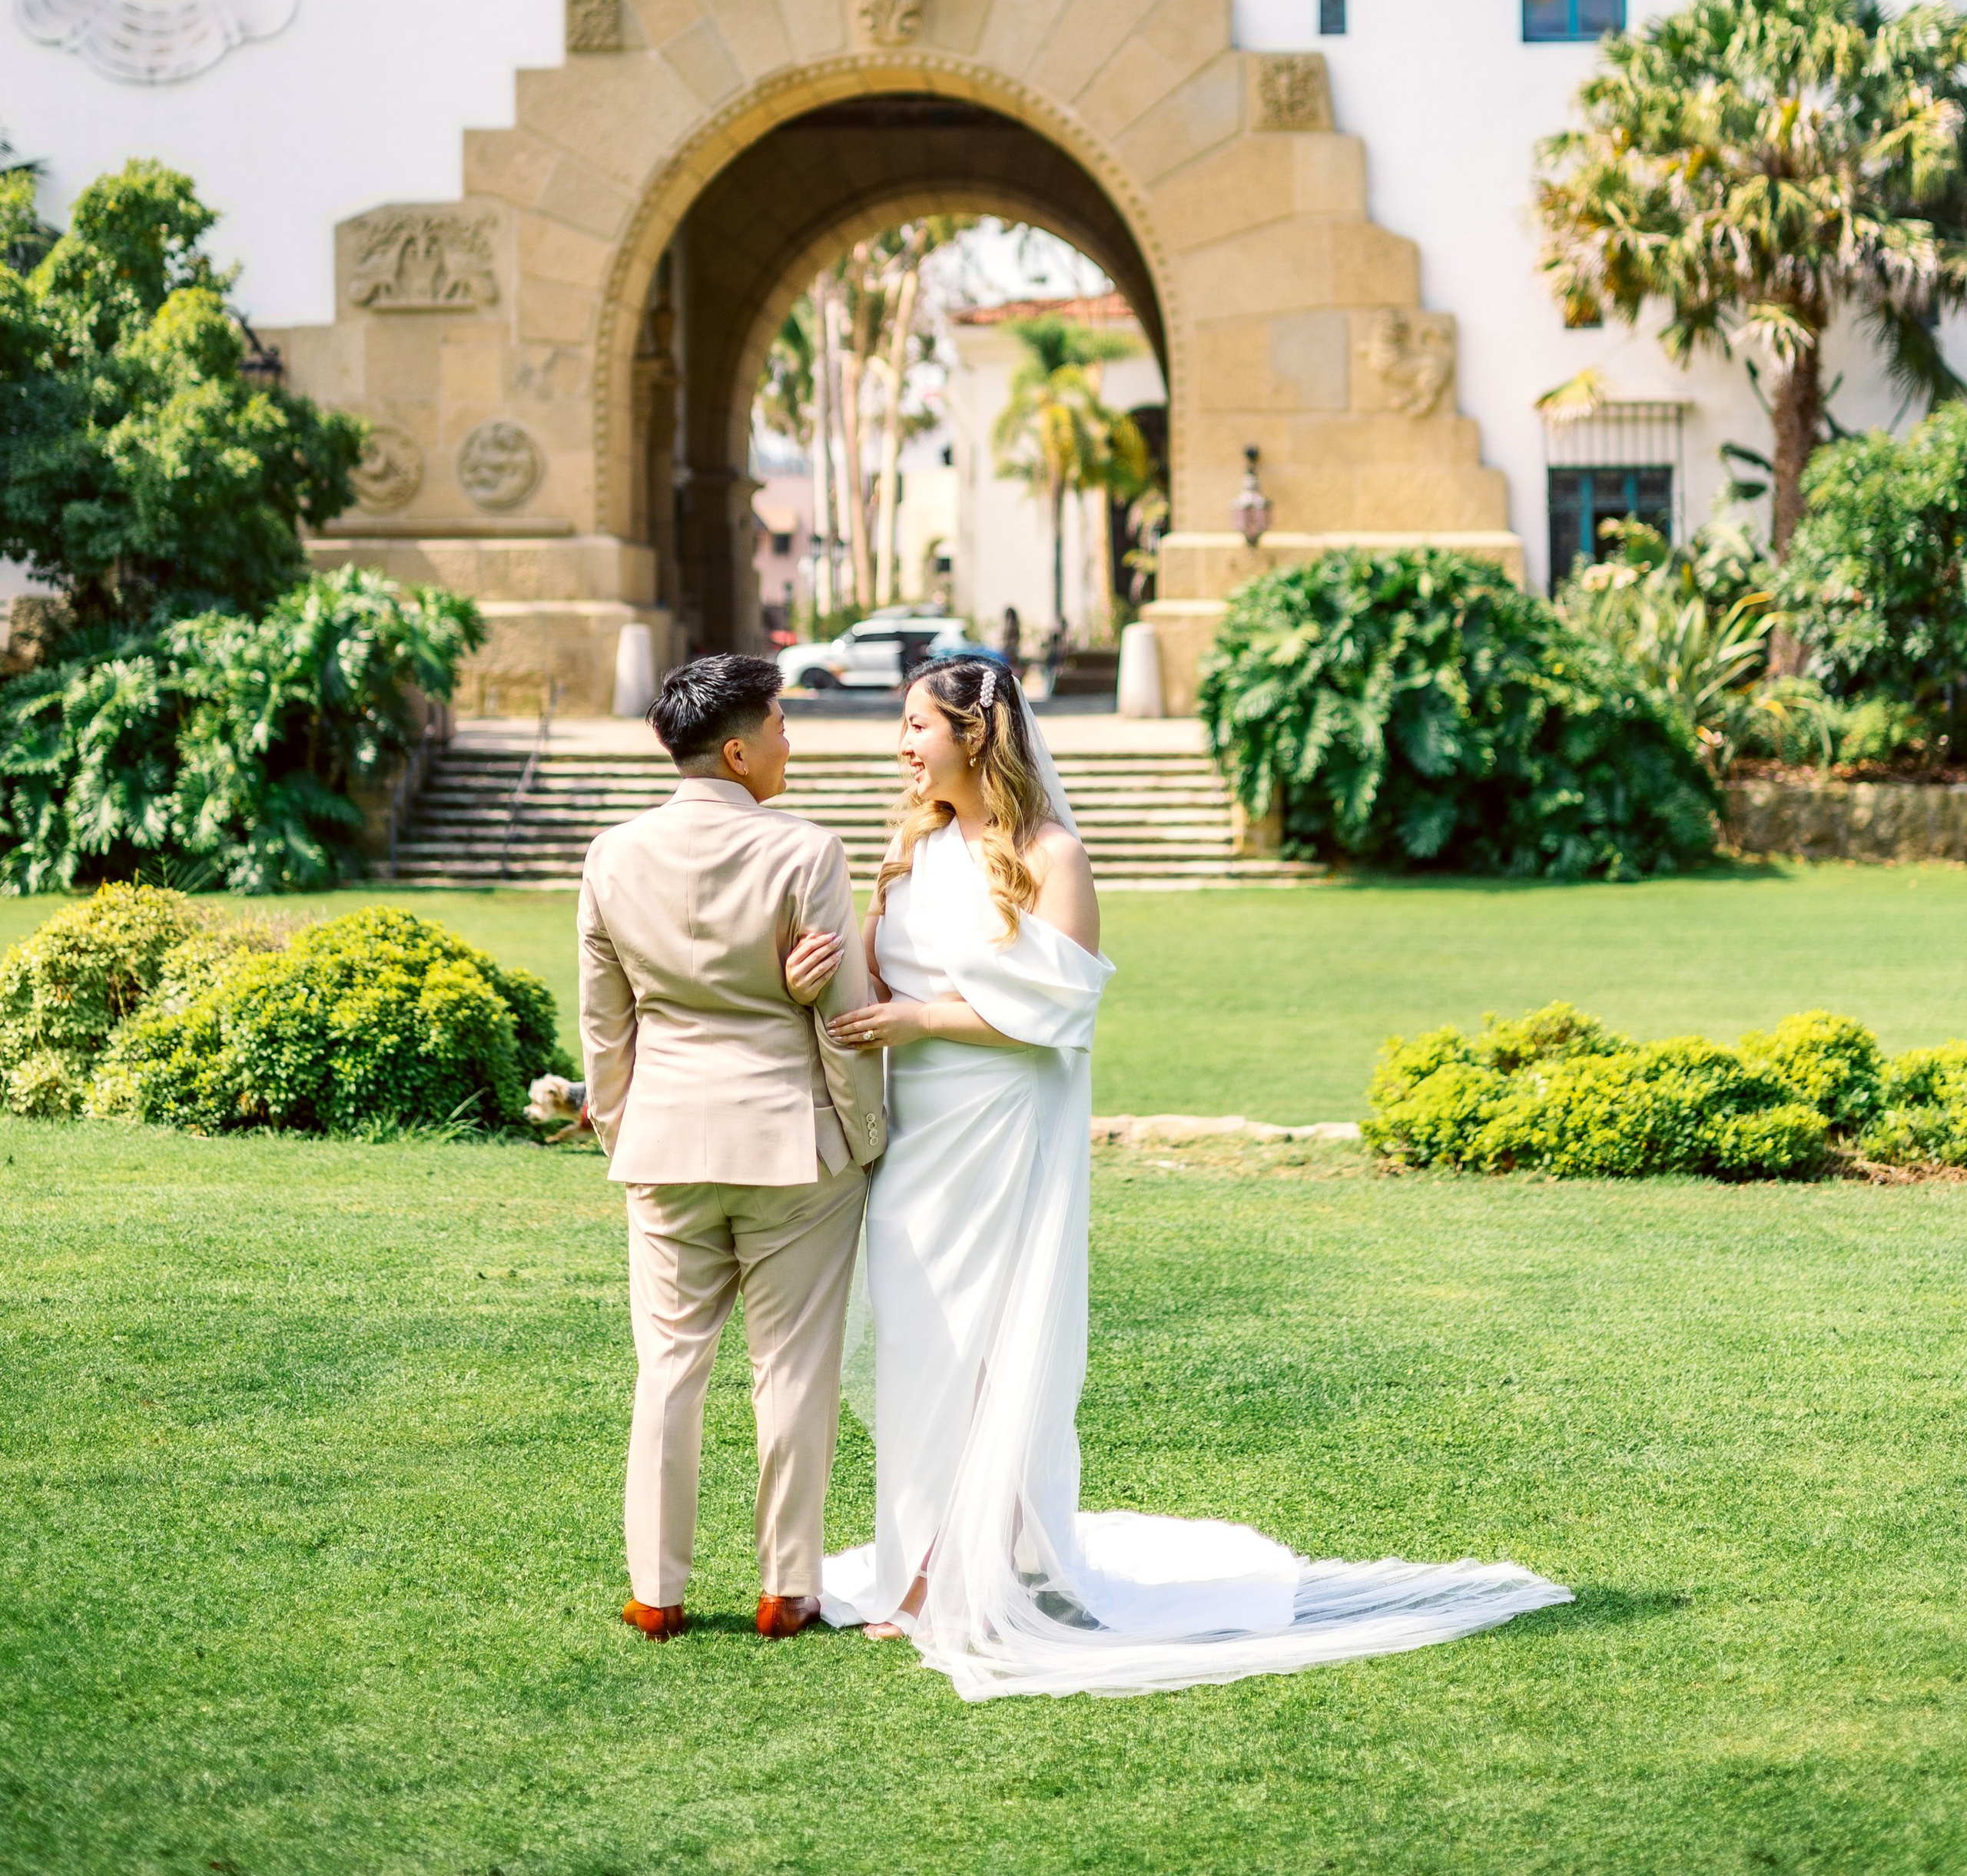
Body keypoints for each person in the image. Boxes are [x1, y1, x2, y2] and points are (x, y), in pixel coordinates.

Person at [789, 657, 1571, 1700]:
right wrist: (831, 981)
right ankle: (916, 1565)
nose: (901, 745)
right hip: (920, 1135)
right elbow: (880, 980)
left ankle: (963, 1571)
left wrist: (921, 1018)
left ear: (978, 736)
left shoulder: (1053, 854)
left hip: (1005, 1127)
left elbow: (1060, 1015)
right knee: (924, 1342)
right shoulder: (913, 848)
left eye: (917, 725)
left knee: (994, 1343)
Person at [577, 651, 887, 1642]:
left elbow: (604, 1025)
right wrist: (865, 1138)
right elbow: (842, 1019)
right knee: (790, 1370)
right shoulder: (808, 855)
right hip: (792, 1149)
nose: (793, 741)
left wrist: (624, 1131)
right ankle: (786, 1589)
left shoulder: (611, 856)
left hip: (665, 1144)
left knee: (667, 1367)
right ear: (741, 749)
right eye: (784, 725)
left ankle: (655, 1592)